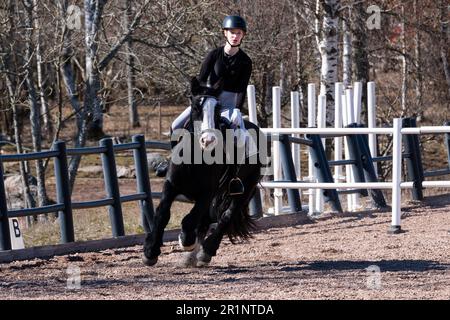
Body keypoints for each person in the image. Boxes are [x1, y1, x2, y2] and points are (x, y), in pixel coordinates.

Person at [156, 15, 252, 177]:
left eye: (239, 33)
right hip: (208, 100)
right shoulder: (213, 55)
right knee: (176, 125)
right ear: (225, 34)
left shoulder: (246, 61)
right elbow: (200, 81)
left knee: (239, 135)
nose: (235, 36)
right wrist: (198, 104)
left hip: (229, 103)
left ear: (243, 35)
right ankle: (172, 161)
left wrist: (236, 110)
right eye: (232, 33)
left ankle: (235, 174)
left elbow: (241, 90)